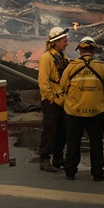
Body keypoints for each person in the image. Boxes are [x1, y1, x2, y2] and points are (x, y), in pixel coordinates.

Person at [59, 36, 104, 181]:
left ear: (80, 51)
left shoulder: (72, 66)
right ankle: (97, 173)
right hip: (96, 111)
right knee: (96, 142)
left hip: (74, 112)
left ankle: (70, 172)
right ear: (93, 51)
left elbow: (63, 86)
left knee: (73, 142)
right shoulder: (101, 67)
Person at [37, 26, 70, 172]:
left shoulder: (62, 57)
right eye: (64, 41)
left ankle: (58, 157)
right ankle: (44, 159)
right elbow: (43, 82)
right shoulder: (47, 58)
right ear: (56, 42)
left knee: (61, 130)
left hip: (62, 99)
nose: (66, 43)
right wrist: (50, 98)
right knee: (49, 131)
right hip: (52, 101)